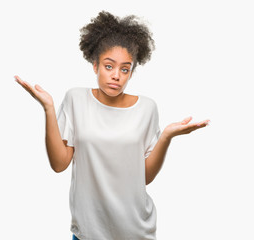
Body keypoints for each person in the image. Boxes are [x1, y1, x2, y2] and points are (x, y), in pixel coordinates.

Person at [15, 10, 210, 240]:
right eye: (109, 66)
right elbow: (59, 164)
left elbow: (144, 177)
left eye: (125, 69)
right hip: (88, 233)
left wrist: (166, 136)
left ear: (131, 72)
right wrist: (48, 108)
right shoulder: (76, 100)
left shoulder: (147, 108)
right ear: (95, 65)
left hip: (136, 232)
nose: (116, 75)